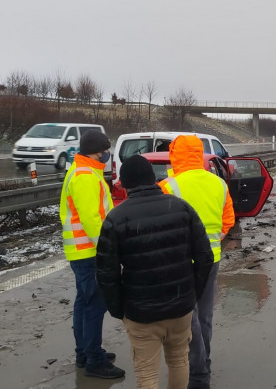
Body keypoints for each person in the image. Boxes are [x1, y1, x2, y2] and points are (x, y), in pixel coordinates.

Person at [97, 155, 214, 389]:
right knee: (180, 361)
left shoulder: (116, 218)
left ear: (126, 183)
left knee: (147, 374)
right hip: (180, 307)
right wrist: (192, 293)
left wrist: (120, 310)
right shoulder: (181, 208)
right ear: (154, 179)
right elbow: (205, 257)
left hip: (141, 312)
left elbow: (106, 273)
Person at [158, 135, 235, 389]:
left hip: (181, 262)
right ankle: (205, 361)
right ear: (200, 153)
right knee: (204, 316)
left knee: (188, 320)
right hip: (211, 259)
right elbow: (228, 222)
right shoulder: (219, 183)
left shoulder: (168, 186)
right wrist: (212, 241)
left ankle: (199, 373)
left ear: (175, 154)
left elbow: (161, 228)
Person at [59, 129, 125, 379]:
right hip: (89, 251)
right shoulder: (86, 176)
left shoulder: (83, 171)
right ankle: (94, 360)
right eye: (105, 150)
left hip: (81, 250)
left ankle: (84, 353)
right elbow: (91, 220)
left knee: (84, 303)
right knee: (95, 305)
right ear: (96, 152)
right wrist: (107, 250)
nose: (107, 154)